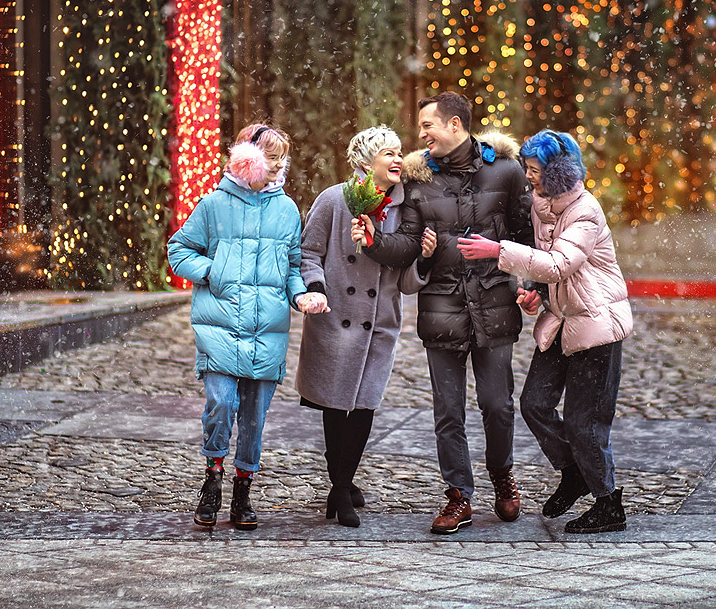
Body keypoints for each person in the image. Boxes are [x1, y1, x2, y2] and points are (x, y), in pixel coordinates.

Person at [358, 91, 533, 535]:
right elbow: (409, 244)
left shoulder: (507, 172)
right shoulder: (418, 183)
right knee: (448, 410)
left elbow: (525, 234)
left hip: (494, 303)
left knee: (497, 405)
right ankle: (458, 496)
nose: (421, 136)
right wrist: (378, 242)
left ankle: (502, 478)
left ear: (455, 126)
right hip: (442, 305)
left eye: (428, 126)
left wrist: (531, 283)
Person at [456, 129, 633, 534]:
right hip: (561, 318)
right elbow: (546, 272)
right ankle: (573, 472)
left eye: (535, 171)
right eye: (527, 169)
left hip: (596, 323)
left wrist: (497, 250)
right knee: (534, 403)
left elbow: (559, 264)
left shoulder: (586, 211)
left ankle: (608, 503)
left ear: (557, 171)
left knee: (583, 421)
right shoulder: (542, 204)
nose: (529, 177)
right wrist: (534, 292)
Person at [167, 123, 309, 531]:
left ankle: (243, 490)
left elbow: (293, 268)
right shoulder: (214, 205)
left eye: (283, 157)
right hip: (221, 325)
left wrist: (301, 296)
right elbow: (179, 249)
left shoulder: (287, 210)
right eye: (271, 155)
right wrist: (213, 272)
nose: (277, 164)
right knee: (222, 402)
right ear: (247, 156)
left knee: (253, 417)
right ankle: (212, 477)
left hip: (268, 330)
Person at [294, 126, 437, 527]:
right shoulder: (334, 200)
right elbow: (308, 253)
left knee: (364, 406)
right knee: (335, 404)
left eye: (399, 153)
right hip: (334, 316)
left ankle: (341, 484)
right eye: (387, 154)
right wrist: (317, 288)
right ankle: (341, 487)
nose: (397, 160)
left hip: (379, 324)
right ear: (364, 163)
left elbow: (405, 281)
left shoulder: (405, 208)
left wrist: (423, 261)